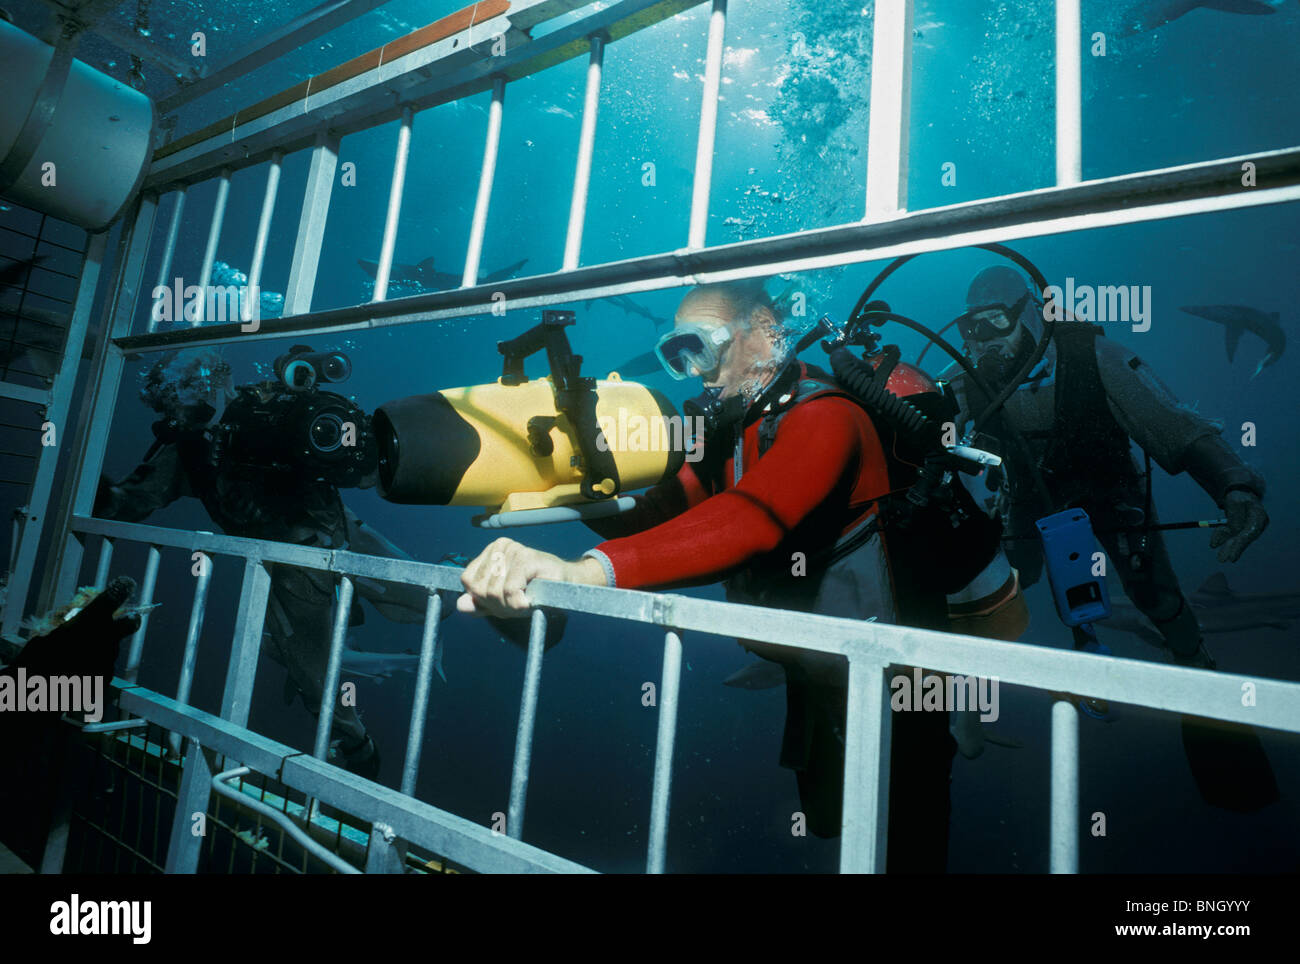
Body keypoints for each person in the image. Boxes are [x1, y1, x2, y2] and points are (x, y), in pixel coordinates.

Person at [456, 279, 1021, 871]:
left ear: (765, 333)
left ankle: (959, 727)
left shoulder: (830, 415)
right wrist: (561, 492)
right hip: (817, 651)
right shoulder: (733, 427)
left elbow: (750, 519)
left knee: (912, 810)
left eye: (701, 347)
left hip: (901, 658)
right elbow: (657, 518)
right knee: (834, 817)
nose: (694, 371)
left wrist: (582, 572)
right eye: (676, 355)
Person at [95, 348, 553, 780]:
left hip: (335, 526)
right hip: (286, 560)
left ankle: (469, 574)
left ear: (217, 383)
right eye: (174, 411)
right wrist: (102, 492)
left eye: (185, 405)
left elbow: (353, 455)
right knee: (315, 671)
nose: (182, 418)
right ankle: (357, 749)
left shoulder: (272, 403)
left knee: (417, 603)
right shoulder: (185, 449)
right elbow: (130, 500)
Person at [942, 266, 1278, 811]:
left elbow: (1174, 425)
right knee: (998, 582)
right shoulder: (965, 377)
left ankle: (1197, 669)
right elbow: (922, 428)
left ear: (1028, 312)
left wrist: (1234, 485)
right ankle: (963, 702)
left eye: (995, 321)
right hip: (1028, 499)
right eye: (971, 327)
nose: (982, 339)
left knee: (1156, 598)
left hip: (1110, 490)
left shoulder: (1096, 357)